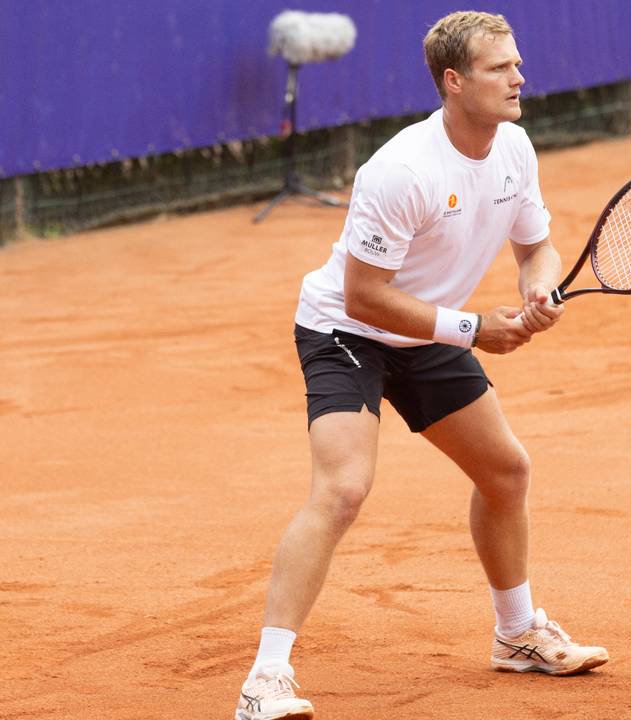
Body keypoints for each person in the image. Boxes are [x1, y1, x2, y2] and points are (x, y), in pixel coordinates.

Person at [236, 11, 608, 720]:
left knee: (506, 470)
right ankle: (266, 678)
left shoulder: (515, 149)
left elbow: (537, 247)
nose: (519, 77)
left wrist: (537, 283)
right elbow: (364, 295)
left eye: (517, 64)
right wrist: (472, 328)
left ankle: (516, 633)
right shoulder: (402, 170)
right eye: (501, 69)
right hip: (346, 331)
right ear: (454, 81)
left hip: (429, 328)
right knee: (343, 488)